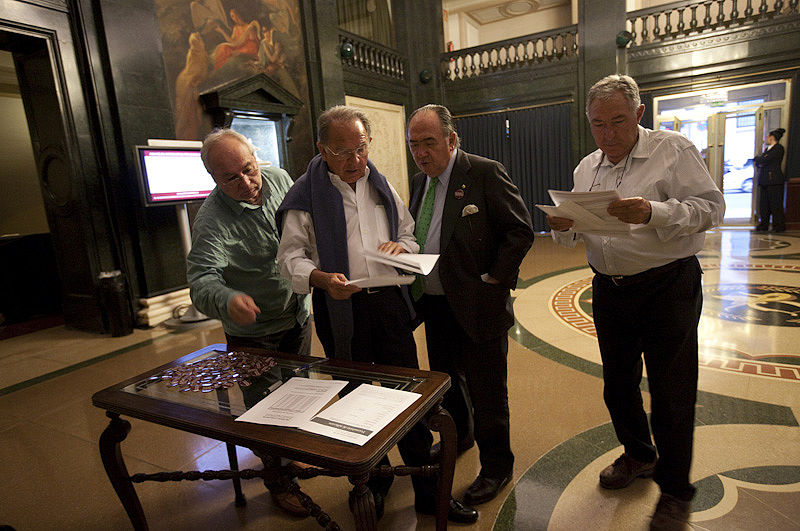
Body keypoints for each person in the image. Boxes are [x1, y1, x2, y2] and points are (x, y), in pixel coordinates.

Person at [276, 105, 478, 524]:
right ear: (322, 150)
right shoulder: (304, 196)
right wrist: (318, 277)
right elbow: (289, 258)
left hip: (387, 306)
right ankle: (375, 480)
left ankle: (426, 489)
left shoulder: (382, 186)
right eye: (342, 151)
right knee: (356, 399)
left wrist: (401, 248)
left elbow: (407, 234)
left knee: (407, 395)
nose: (355, 161)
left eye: (361, 149)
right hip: (339, 306)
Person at [547, 74, 725, 530]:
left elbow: (711, 208)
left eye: (618, 121)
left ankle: (675, 491)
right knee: (618, 385)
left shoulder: (674, 150)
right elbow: (574, 238)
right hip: (610, 289)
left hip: (668, 287)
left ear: (640, 114)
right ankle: (639, 454)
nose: (608, 134)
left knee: (671, 392)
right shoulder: (586, 169)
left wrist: (654, 211)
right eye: (598, 124)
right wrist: (564, 226)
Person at [406, 104, 534, 506]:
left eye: (429, 143)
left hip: (479, 305)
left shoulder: (483, 172)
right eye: (414, 145)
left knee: (488, 391)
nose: (422, 153)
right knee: (448, 384)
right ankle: (461, 436)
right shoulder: (418, 182)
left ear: (451, 139)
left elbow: (520, 230)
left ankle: (497, 466)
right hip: (436, 304)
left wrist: (495, 277)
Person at [187, 128, 311, 517]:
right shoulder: (211, 221)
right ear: (213, 180)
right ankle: (276, 479)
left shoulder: (277, 178)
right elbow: (201, 282)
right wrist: (227, 299)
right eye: (231, 178)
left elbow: (301, 225)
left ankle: (293, 456)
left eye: (248, 169)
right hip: (253, 332)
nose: (247, 183)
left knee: (299, 392)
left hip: (296, 312)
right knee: (264, 409)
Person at [754, 127, 787, 232]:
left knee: (775, 204)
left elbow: (764, 159)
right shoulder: (767, 150)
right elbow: (760, 161)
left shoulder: (778, 148)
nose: (766, 139)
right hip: (765, 181)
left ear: (772, 137)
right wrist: (760, 160)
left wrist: (760, 160)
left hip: (774, 181)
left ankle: (778, 226)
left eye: (767, 137)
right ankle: (764, 224)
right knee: (764, 205)